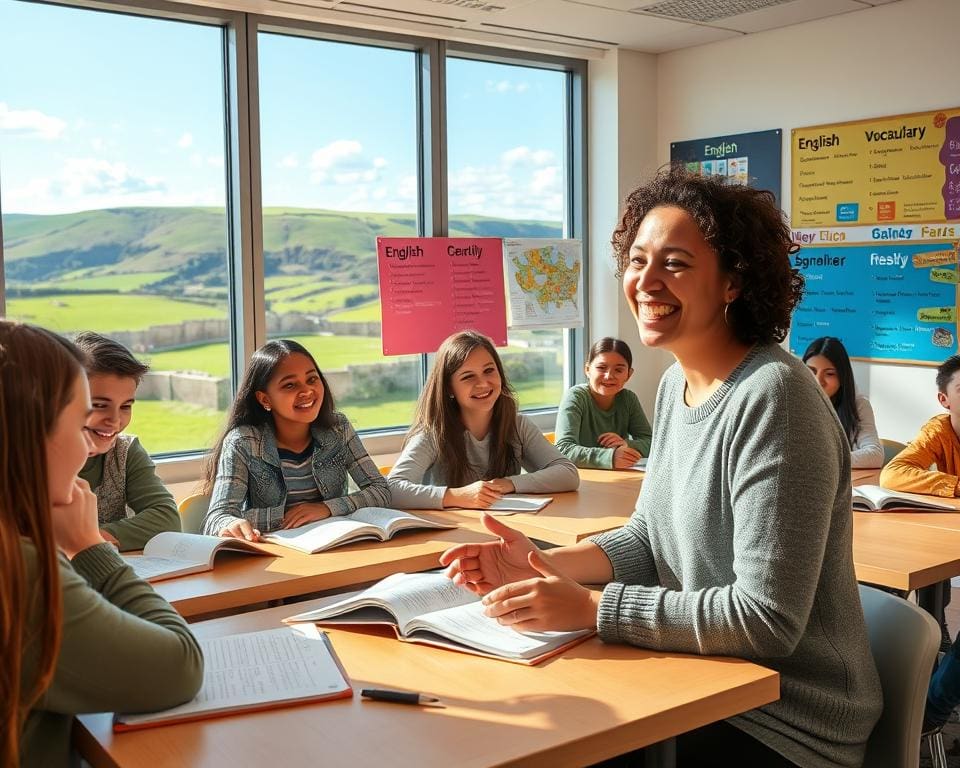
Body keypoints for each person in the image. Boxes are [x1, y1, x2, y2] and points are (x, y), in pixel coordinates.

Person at [441, 167, 881, 768]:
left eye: (674, 264)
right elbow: (650, 537)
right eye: (637, 261)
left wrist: (593, 609)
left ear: (732, 282)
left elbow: (766, 620)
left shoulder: (776, 397)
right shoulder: (675, 385)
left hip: (785, 719)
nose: (646, 282)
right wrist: (544, 563)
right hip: (701, 681)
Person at [0, 321, 203, 767]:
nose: (88, 448)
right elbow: (179, 666)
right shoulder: (20, 569)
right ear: (29, 436)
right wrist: (90, 546)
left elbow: (163, 514)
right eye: (80, 425)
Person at [201, 339, 389, 540]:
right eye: (290, 385)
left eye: (312, 379)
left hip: (336, 544)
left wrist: (325, 508)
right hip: (275, 552)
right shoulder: (243, 442)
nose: (307, 391)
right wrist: (282, 518)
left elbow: (381, 490)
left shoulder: (338, 428)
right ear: (265, 399)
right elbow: (217, 518)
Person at [388, 330, 579, 510]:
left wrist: (507, 484)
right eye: (468, 377)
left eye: (489, 371)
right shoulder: (433, 434)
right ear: (449, 388)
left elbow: (568, 474)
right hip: (457, 530)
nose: (482, 383)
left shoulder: (518, 426)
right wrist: (457, 496)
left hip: (508, 525)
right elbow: (392, 490)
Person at [879, 354, 960, 655]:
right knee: (923, 547)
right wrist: (955, 485)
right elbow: (893, 473)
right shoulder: (940, 430)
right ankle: (933, 628)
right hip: (951, 529)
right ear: (944, 400)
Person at [73, 331, 181, 550]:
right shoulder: (29, 459)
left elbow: (167, 519)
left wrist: (90, 539)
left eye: (125, 406)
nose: (115, 420)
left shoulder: (125, 451)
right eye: (99, 405)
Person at [554, 337, 652, 469]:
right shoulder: (576, 397)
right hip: (582, 477)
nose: (609, 376)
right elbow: (563, 449)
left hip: (620, 476)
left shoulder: (629, 399)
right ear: (587, 370)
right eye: (601, 368)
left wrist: (626, 444)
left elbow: (653, 443)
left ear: (629, 374)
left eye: (618, 370)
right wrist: (610, 457)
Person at [802, 336, 883, 469]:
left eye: (829, 374)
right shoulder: (792, 403)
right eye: (811, 371)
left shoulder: (858, 405)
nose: (818, 381)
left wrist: (822, 460)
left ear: (842, 377)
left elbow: (875, 455)